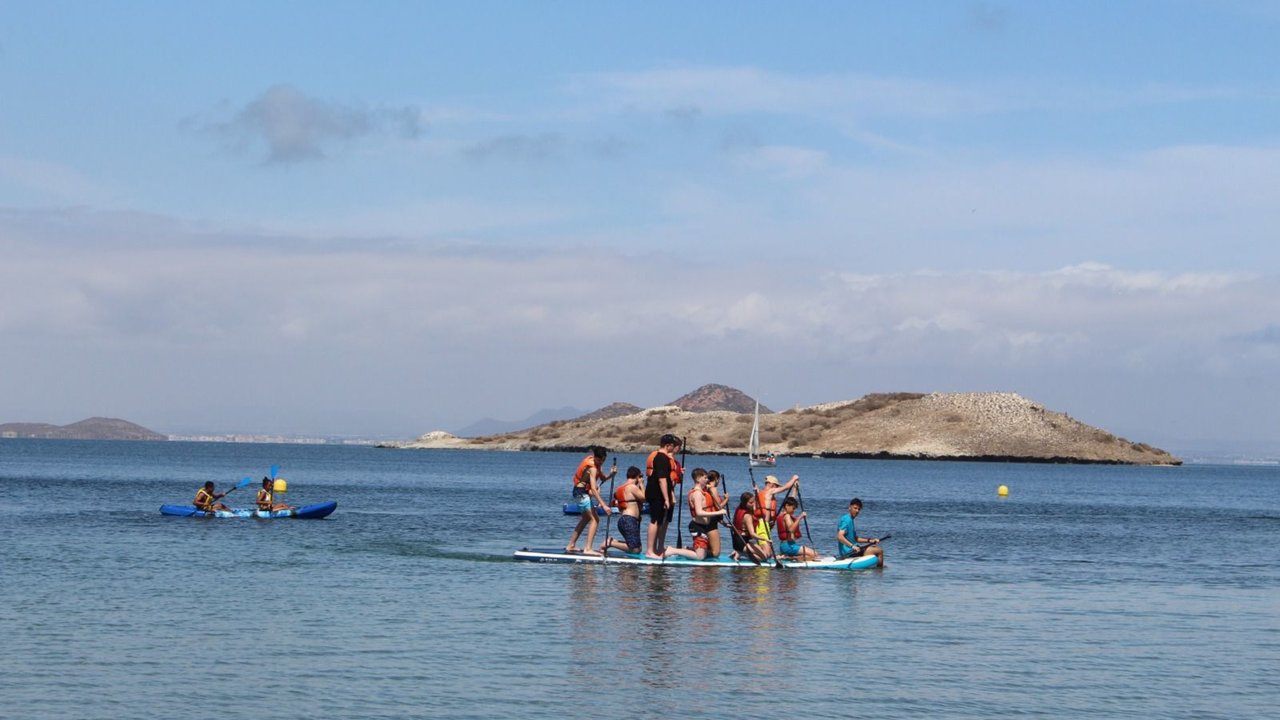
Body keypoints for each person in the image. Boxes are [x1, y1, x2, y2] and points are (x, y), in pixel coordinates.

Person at [566, 446, 614, 555]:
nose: (601, 462)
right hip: (581, 492)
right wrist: (604, 505)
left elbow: (603, 478)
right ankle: (588, 549)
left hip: (579, 492)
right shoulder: (592, 467)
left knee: (586, 518)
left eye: (603, 460)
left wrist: (611, 474)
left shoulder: (597, 465)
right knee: (595, 519)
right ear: (595, 457)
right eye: (599, 460)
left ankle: (571, 545)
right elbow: (593, 488)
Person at [645, 434, 681, 558]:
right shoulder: (661, 458)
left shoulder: (664, 458)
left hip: (658, 493)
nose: (674, 448)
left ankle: (655, 549)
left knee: (659, 521)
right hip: (656, 493)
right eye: (672, 445)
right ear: (668, 445)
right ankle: (650, 550)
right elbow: (662, 479)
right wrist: (666, 498)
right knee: (655, 520)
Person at [682, 468, 727, 560]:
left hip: (705, 524)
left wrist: (722, 521)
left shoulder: (704, 491)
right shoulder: (699, 493)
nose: (707, 480)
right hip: (701, 525)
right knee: (707, 555)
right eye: (705, 478)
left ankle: (690, 550)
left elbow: (712, 507)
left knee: (708, 552)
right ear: (698, 479)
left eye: (707, 478)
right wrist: (724, 503)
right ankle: (675, 550)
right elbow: (699, 512)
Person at [600, 466, 645, 555]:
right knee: (635, 550)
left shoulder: (621, 488)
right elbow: (644, 498)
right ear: (637, 477)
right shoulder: (632, 487)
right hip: (629, 520)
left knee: (639, 548)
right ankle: (610, 543)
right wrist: (642, 484)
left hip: (625, 520)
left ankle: (613, 541)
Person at [836, 498, 884, 567]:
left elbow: (855, 539)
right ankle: (880, 572)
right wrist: (853, 546)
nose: (857, 511)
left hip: (854, 550)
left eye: (859, 509)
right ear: (850, 507)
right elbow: (840, 536)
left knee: (874, 546)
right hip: (849, 552)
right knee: (879, 551)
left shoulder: (850, 519)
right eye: (855, 508)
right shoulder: (846, 519)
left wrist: (870, 540)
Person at [731, 491, 770, 563]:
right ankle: (741, 553)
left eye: (753, 502)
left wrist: (756, 492)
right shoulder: (747, 516)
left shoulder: (739, 509)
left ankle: (739, 552)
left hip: (737, 540)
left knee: (764, 554)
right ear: (745, 503)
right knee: (764, 558)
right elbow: (752, 534)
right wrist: (765, 539)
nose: (753, 504)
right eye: (751, 503)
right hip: (741, 542)